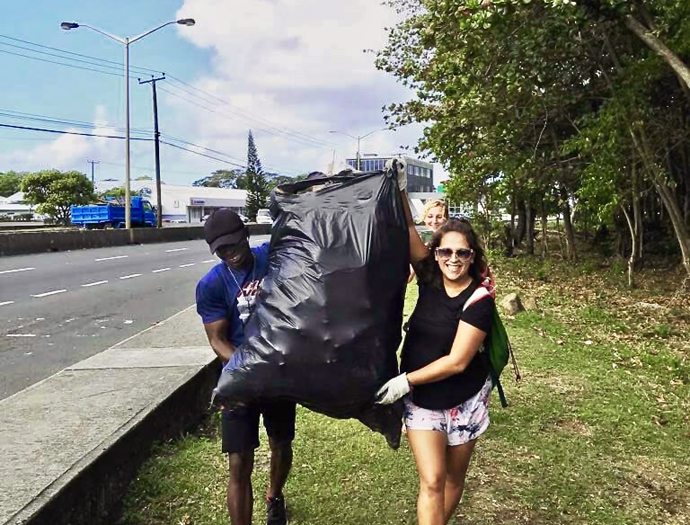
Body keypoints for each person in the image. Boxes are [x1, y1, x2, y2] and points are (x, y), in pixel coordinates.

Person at [377, 166, 494, 525]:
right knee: (432, 481)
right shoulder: (429, 274)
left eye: (462, 253)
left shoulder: (480, 300)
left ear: (473, 256)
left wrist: (404, 381)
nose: (453, 260)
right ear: (437, 253)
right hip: (424, 402)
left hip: (465, 398)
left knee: (454, 480)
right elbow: (410, 230)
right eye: (446, 253)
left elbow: (458, 361)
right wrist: (400, 188)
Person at [196, 208, 295, 525]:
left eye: (233, 244)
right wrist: (249, 368)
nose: (230, 253)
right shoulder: (212, 284)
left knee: (281, 444)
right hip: (240, 379)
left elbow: (299, 229)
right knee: (239, 463)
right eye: (221, 249)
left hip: (279, 375)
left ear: (246, 235)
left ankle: (274, 496)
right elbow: (218, 340)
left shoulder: (271, 257)